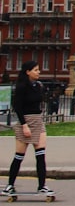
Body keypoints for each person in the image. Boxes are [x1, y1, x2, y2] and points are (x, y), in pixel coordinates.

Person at [3, 61, 55, 198]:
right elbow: (18, 107)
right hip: (24, 121)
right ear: (28, 72)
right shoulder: (21, 87)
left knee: (41, 154)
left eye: (38, 70)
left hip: (37, 120)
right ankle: (10, 185)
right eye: (36, 70)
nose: (39, 72)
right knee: (19, 156)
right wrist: (24, 125)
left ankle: (42, 186)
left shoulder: (38, 86)